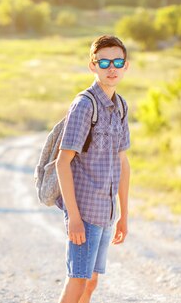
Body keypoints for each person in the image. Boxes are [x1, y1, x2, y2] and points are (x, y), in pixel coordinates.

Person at [55, 35, 131, 303]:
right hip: (85, 211)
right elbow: (62, 162)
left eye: (117, 61)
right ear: (93, 66)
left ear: (126, 66)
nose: (111, 68)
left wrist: (123, 214)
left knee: (91, 282)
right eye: (105, 62)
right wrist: (73, 217)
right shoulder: (84, 104)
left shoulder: (120, 106)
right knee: (77, 281)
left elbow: (123, 162)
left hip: (106, 213)